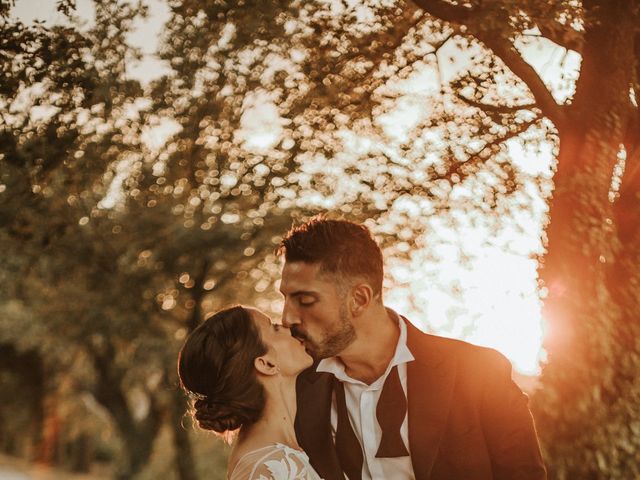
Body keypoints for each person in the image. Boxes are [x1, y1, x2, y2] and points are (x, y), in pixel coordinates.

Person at [277, 217, 547, 480]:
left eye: (305, 300)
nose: (287, 318)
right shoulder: (296, 387)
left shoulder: (479, 372)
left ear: (359, 299)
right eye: (286, 298)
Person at [177, 305, 321, 480]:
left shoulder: (287, 448)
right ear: (266, 364)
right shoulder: (262, 468)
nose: (287, 327)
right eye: (274, 328)